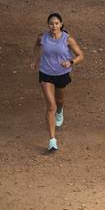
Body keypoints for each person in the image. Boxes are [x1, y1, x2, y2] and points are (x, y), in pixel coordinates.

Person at [32, 12, 84, 152]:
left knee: (59, 101)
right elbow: (36, 46)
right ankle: (52, 140)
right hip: (46, 74)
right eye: (51, 23)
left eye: (56, 23)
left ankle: (60, 112)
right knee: (51, 105)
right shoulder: (42, 37)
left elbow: (81, 55)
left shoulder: (68, 39)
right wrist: (35, 60)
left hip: (61, 74)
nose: (54, 26)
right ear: (48, 25)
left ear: (61, 24)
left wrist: (71, 62)